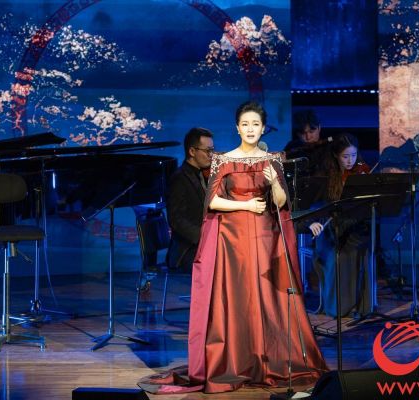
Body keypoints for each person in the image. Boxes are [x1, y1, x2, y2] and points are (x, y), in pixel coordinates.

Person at [142, 102, 327, 394]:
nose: (251, 129)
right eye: (245, 124)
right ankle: (237, 360)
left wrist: (274, 184)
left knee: (266, 298)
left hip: (265, 237)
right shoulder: (223, 160)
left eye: (256, 124)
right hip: (234, 238)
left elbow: (281, 204)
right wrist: (245, 205)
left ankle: (266, 359)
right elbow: (212, 202)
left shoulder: (272, 160)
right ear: (237, 128)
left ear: (263, 128)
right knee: (239, 297)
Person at [306, 134, 371, 317]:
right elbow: (314, 205)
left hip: (354, 228)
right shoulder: (325, 176)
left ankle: (358, 306)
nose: (350, 161)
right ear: (336, 155)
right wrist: (315, 221)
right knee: (338, 256)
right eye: (345, 156)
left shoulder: (361, 173)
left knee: (356, 250)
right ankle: (339, 308)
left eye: (354, 155)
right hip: (330, 231)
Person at [166, 127, 214, 273]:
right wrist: (205, 238)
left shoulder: (205, 175)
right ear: (192, 151)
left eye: (212, 150)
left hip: (203, 244)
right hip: (187, 250)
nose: (211, 155)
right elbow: (176, 219)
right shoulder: (179, 178)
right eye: (207, 151)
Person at [284, 109, 329, 175]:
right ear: (297, 133)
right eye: (303, 133)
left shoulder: (328, 146)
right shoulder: (292, 147)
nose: (308, 137)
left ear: (319, 128)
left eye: (311, 132)